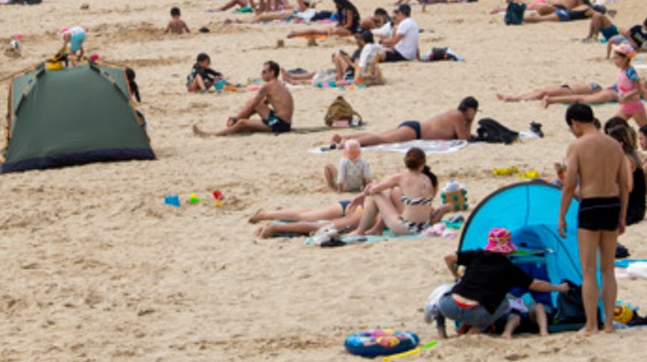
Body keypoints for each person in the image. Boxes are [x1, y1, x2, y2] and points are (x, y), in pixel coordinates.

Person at [558, 102, 631, 336]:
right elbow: (624, 185)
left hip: (590, 205)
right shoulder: (614, 145)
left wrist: (561, 216)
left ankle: (591, 324)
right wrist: (622, 216)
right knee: (608, 269)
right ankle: (609, 323)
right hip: (611, 204)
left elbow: (569, 185)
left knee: (589, 270)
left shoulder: (577, 146)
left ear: (575, 123)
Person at [433, 227, 568, 336]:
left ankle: (441, 333)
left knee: (442, 293)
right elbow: (537, 285)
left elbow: (448, 257)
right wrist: (560, 288)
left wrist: (455, 273)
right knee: (504, 303)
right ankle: (477, 328)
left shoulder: (476, 255)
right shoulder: (508, 268)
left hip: (449, 308)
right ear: (506, 250)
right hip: (475, 314)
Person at [327, 97, 477, 147]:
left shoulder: (455, 114)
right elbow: (463, 138)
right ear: (470, 109)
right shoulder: (458, 116)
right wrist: (470, 121)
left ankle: (343, 138)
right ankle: (348, 144)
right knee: (381, 139)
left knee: (379, 136)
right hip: (416, 131)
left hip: (415, 128)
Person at [193, 61, 293, 136]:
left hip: (280, 124)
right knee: (253, 103)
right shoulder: (277, 84)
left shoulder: (267, 86)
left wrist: (236, 118)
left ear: (272, 73)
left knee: (242, 122)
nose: (261, 74)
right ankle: (235, 126)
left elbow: (252, 105)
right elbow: (259, 104)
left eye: (264, 72)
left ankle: (212, 134)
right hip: (282, 120)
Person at [357, 147, 439, 234]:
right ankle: (377, 229)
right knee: (395, 192)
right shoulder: (427, 179)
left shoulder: (401, 177)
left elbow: (374, 190)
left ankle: (360, 231)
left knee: (376, 195)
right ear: (423, 163)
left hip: (406, 227)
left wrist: (363, 194)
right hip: (423, 227)